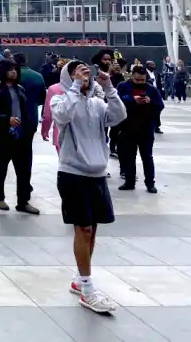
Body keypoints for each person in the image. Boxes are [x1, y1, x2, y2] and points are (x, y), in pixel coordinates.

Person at [50, 59, 127, 314]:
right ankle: (88, 288)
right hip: (72, 172)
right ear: (67, 77)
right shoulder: (60, 100)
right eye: (75, 73)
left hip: (97, 173)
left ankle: (82, 279)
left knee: (91, 231)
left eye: (85, 72)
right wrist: (74, 86)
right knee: (82, 229)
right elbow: (62, 116)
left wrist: (109, 88)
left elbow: (118, 117)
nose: (83, 76)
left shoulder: (97, 103)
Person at [0, 59, 39, 215]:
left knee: (24, 170)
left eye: (15, 69)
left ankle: (23, 201)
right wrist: (6, 119)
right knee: (0, 169)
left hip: (22, 137)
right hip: (3, 137)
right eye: (10, 69)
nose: (13, 72)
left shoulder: (20, 89)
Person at [116, 65, 163, 193]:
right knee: (129, 156)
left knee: (147, 157)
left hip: (146, 128)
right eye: (138, 80)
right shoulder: (123, 87)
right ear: (132, 76)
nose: (141, 82)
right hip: (128, 127)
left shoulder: (151, 89)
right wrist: (132, 100)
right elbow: (117, 101)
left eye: (143, 80)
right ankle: (129, 181)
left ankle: (150, 183)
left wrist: (150, 101)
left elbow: (160, 105)